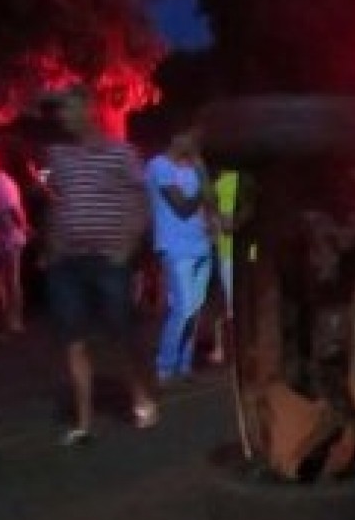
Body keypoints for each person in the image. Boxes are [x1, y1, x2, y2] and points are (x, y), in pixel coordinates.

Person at [42, 85, 156, 445]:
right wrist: (51, 245)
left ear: (89, 109)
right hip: (68, 262)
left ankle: (139, 394)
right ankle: (84, 423)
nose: (63, 116)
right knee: (73, 340)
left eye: (69, 108)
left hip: (109, 259)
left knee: (120, 334)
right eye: (60, 111)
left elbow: (141, 200)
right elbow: (58, 201)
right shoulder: (57, 155)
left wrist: (128, 245)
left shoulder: (120, 154)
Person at [145, 128, 215, 383]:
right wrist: (201, 181)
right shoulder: (158, 166)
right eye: (191, 138)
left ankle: (184, 364)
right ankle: (165, 365)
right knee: (183, 308)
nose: (196, 143)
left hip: (201, 245)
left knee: (194, 311)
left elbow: (211, 200)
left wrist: (202, 171)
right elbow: (182, 206)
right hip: (175, 246)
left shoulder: (194, 166)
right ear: (176, 138)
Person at [0, 150, 30, 334]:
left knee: (11, 282)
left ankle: (13, 321)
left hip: (9, 238)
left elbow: (14, 211)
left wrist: (23, 228)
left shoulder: (4, 183)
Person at [205, 167, 240, 366]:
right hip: (225, 252)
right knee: (226, 304)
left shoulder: (225, 183)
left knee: (227, 304)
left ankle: (225, 348)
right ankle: (224, 348)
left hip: (231, 251)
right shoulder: (218, 184)